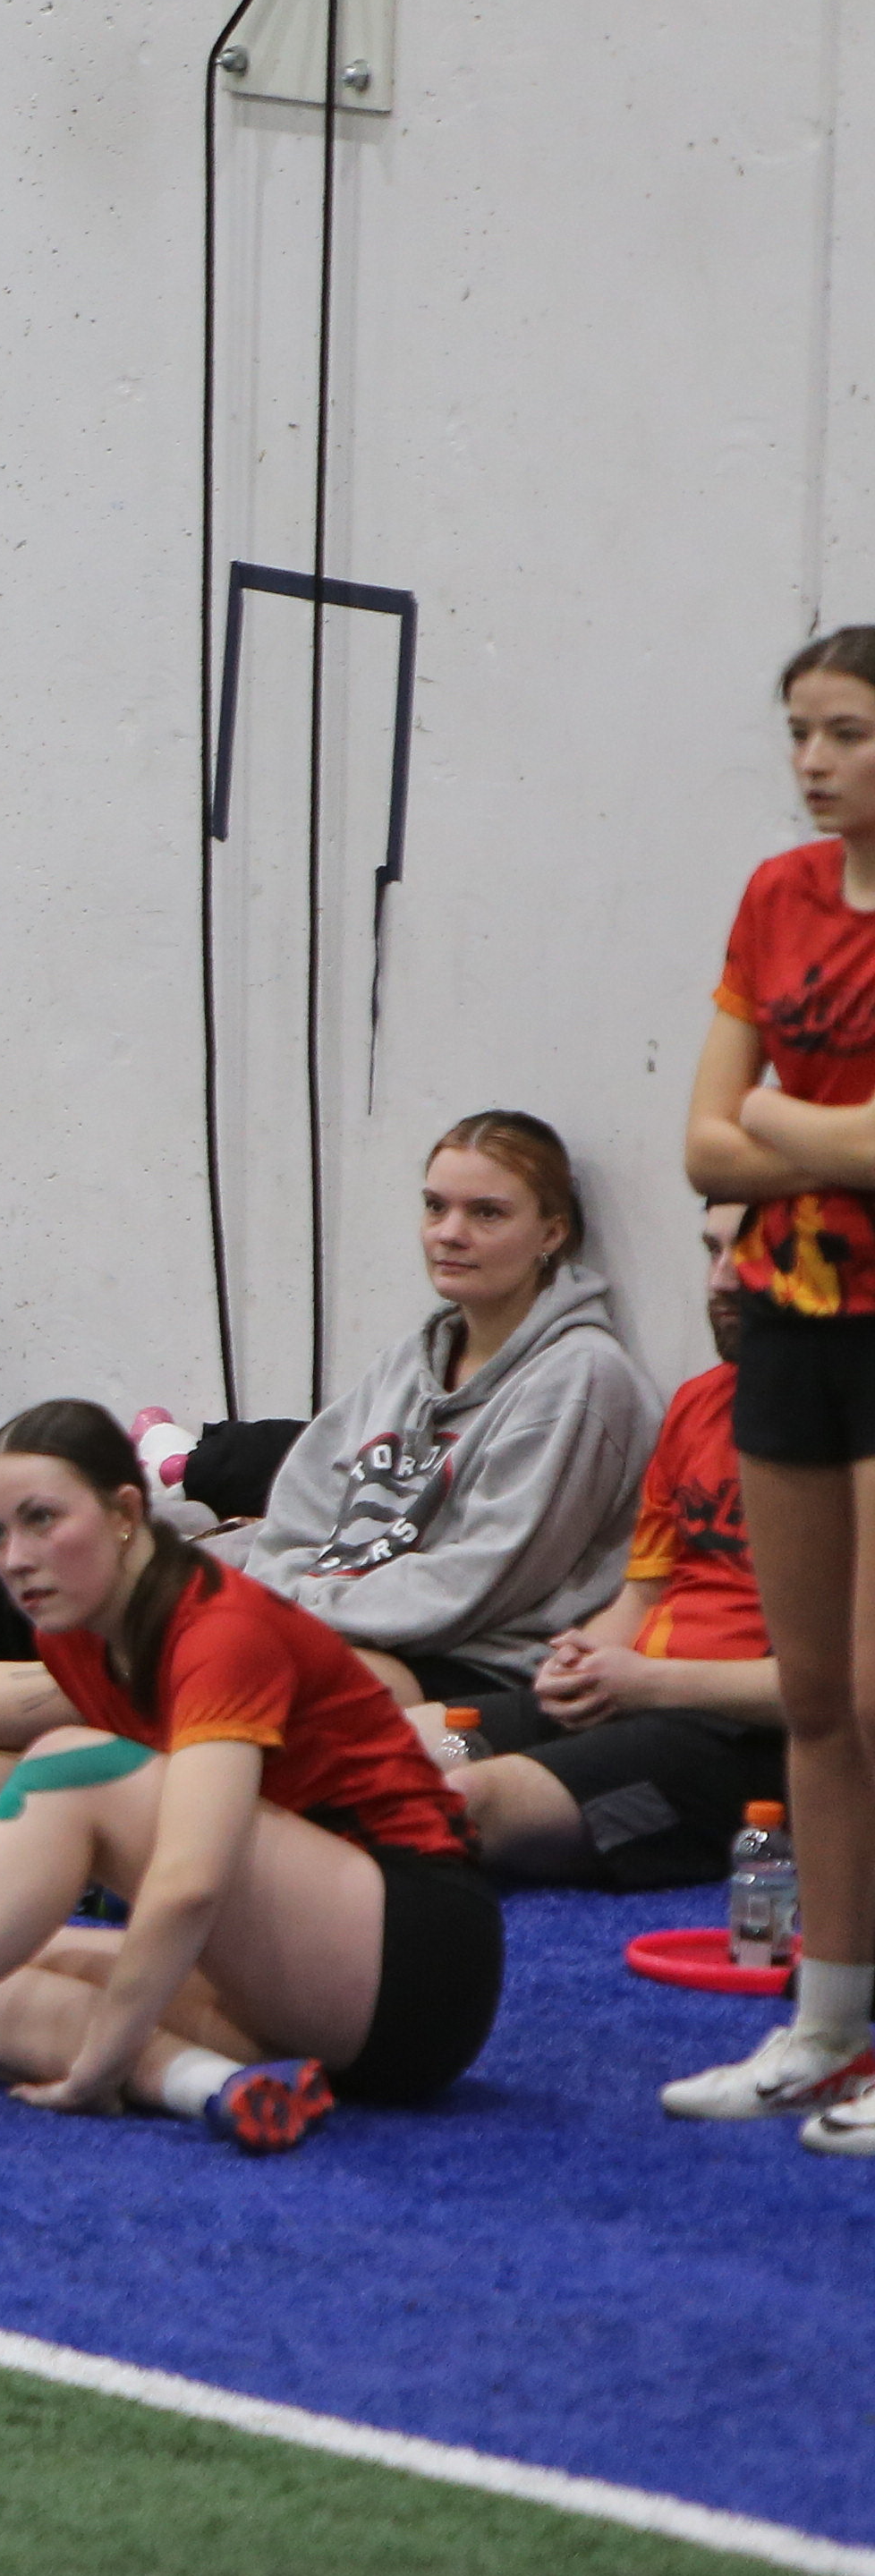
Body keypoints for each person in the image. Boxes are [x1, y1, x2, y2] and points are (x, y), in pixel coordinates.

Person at [0, 1400, 503, 2162]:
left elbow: (188, 1882)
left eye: (42, 1520)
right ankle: (215, 2087)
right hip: (317, 1970)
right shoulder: (75, 1637)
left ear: (126, 1513)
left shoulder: (221, 1630)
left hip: (419, 1961)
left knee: (71, 1765)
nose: (15, 1559)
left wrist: (101, 2062)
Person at [672, 624, 875, 2145]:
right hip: (795, 1322)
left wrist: (782, 1126)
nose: (814, 762)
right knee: (814, 1699)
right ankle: (825, 2024)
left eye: (848, 733)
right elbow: (704, 1142)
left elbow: (758, 1124)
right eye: (800, 731)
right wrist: (825, 1138)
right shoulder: (777, 894)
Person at [221, 1113, 652, 1731]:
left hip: (481, 1663)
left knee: (231, 1681)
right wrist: (282, 1602)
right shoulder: (408, 1361)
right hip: (347, 1626)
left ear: (552, 1233)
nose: (449, 1234)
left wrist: (300, 1608)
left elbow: (476, 1581)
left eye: (487, 1213)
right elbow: (301, 1514)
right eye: (435, 1207)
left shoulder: (581, 1379)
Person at [446, 1204, 785, 1886]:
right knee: (367, 1743)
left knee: (459, 1803)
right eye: (712, 1251)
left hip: (746, 1740)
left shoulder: (851, 1448)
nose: (720, 1280)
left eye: (751, 1254)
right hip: (636, 1694)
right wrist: (576, 1662)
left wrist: (647, 1684)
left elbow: (839, 1690)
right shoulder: (699, 1404)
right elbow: (641, 1598)